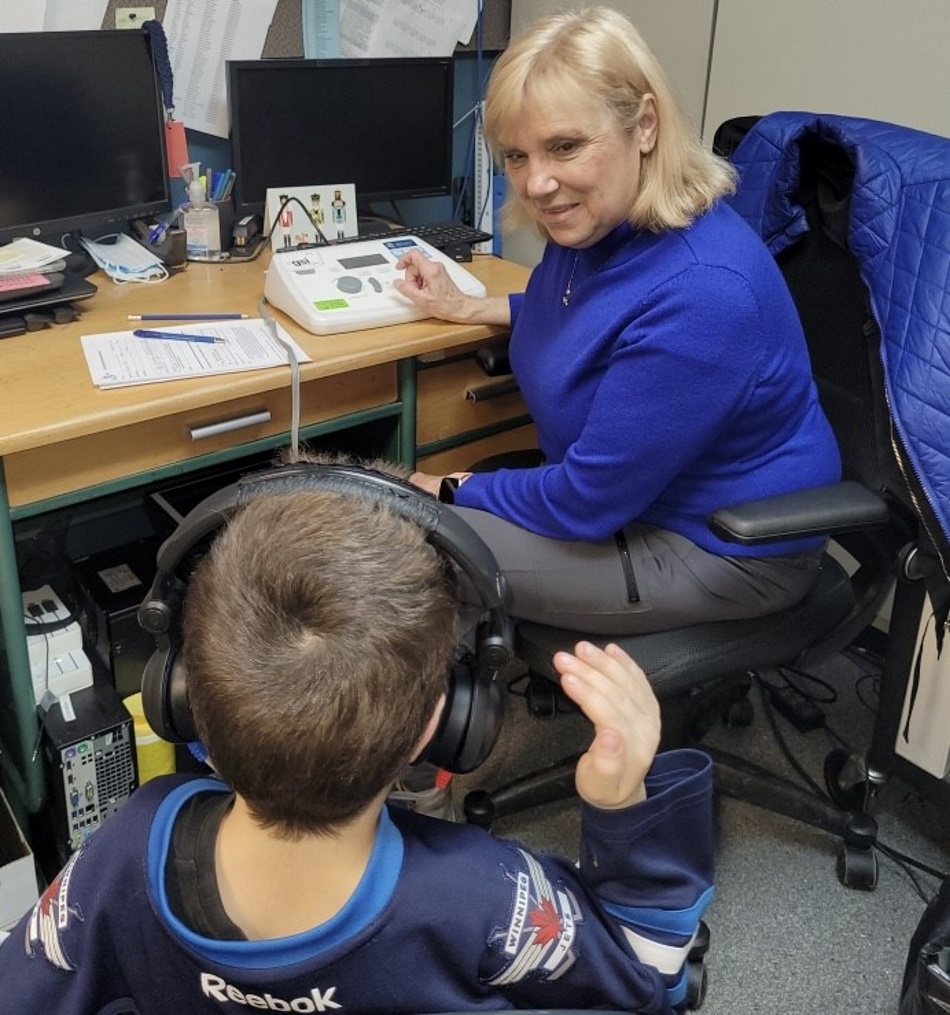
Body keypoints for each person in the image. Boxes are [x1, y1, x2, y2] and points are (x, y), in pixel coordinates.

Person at [0, 467, 714, 1014]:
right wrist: (625, 811)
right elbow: (646, 979)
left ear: (182, 693)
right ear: (447, 721)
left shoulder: (130, 840)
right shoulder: (482, 894)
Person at [394, 6, 841, 636]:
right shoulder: (594, 226)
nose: (537, 183)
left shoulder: (704, 291)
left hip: (716, 545)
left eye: (565, 146)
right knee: (409, 526)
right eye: (516, 156)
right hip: (626, 498)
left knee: (417, 551)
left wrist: (449, 487)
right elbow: (583, 316)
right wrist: (467, 307)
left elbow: (584, 502)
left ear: (646, 126)